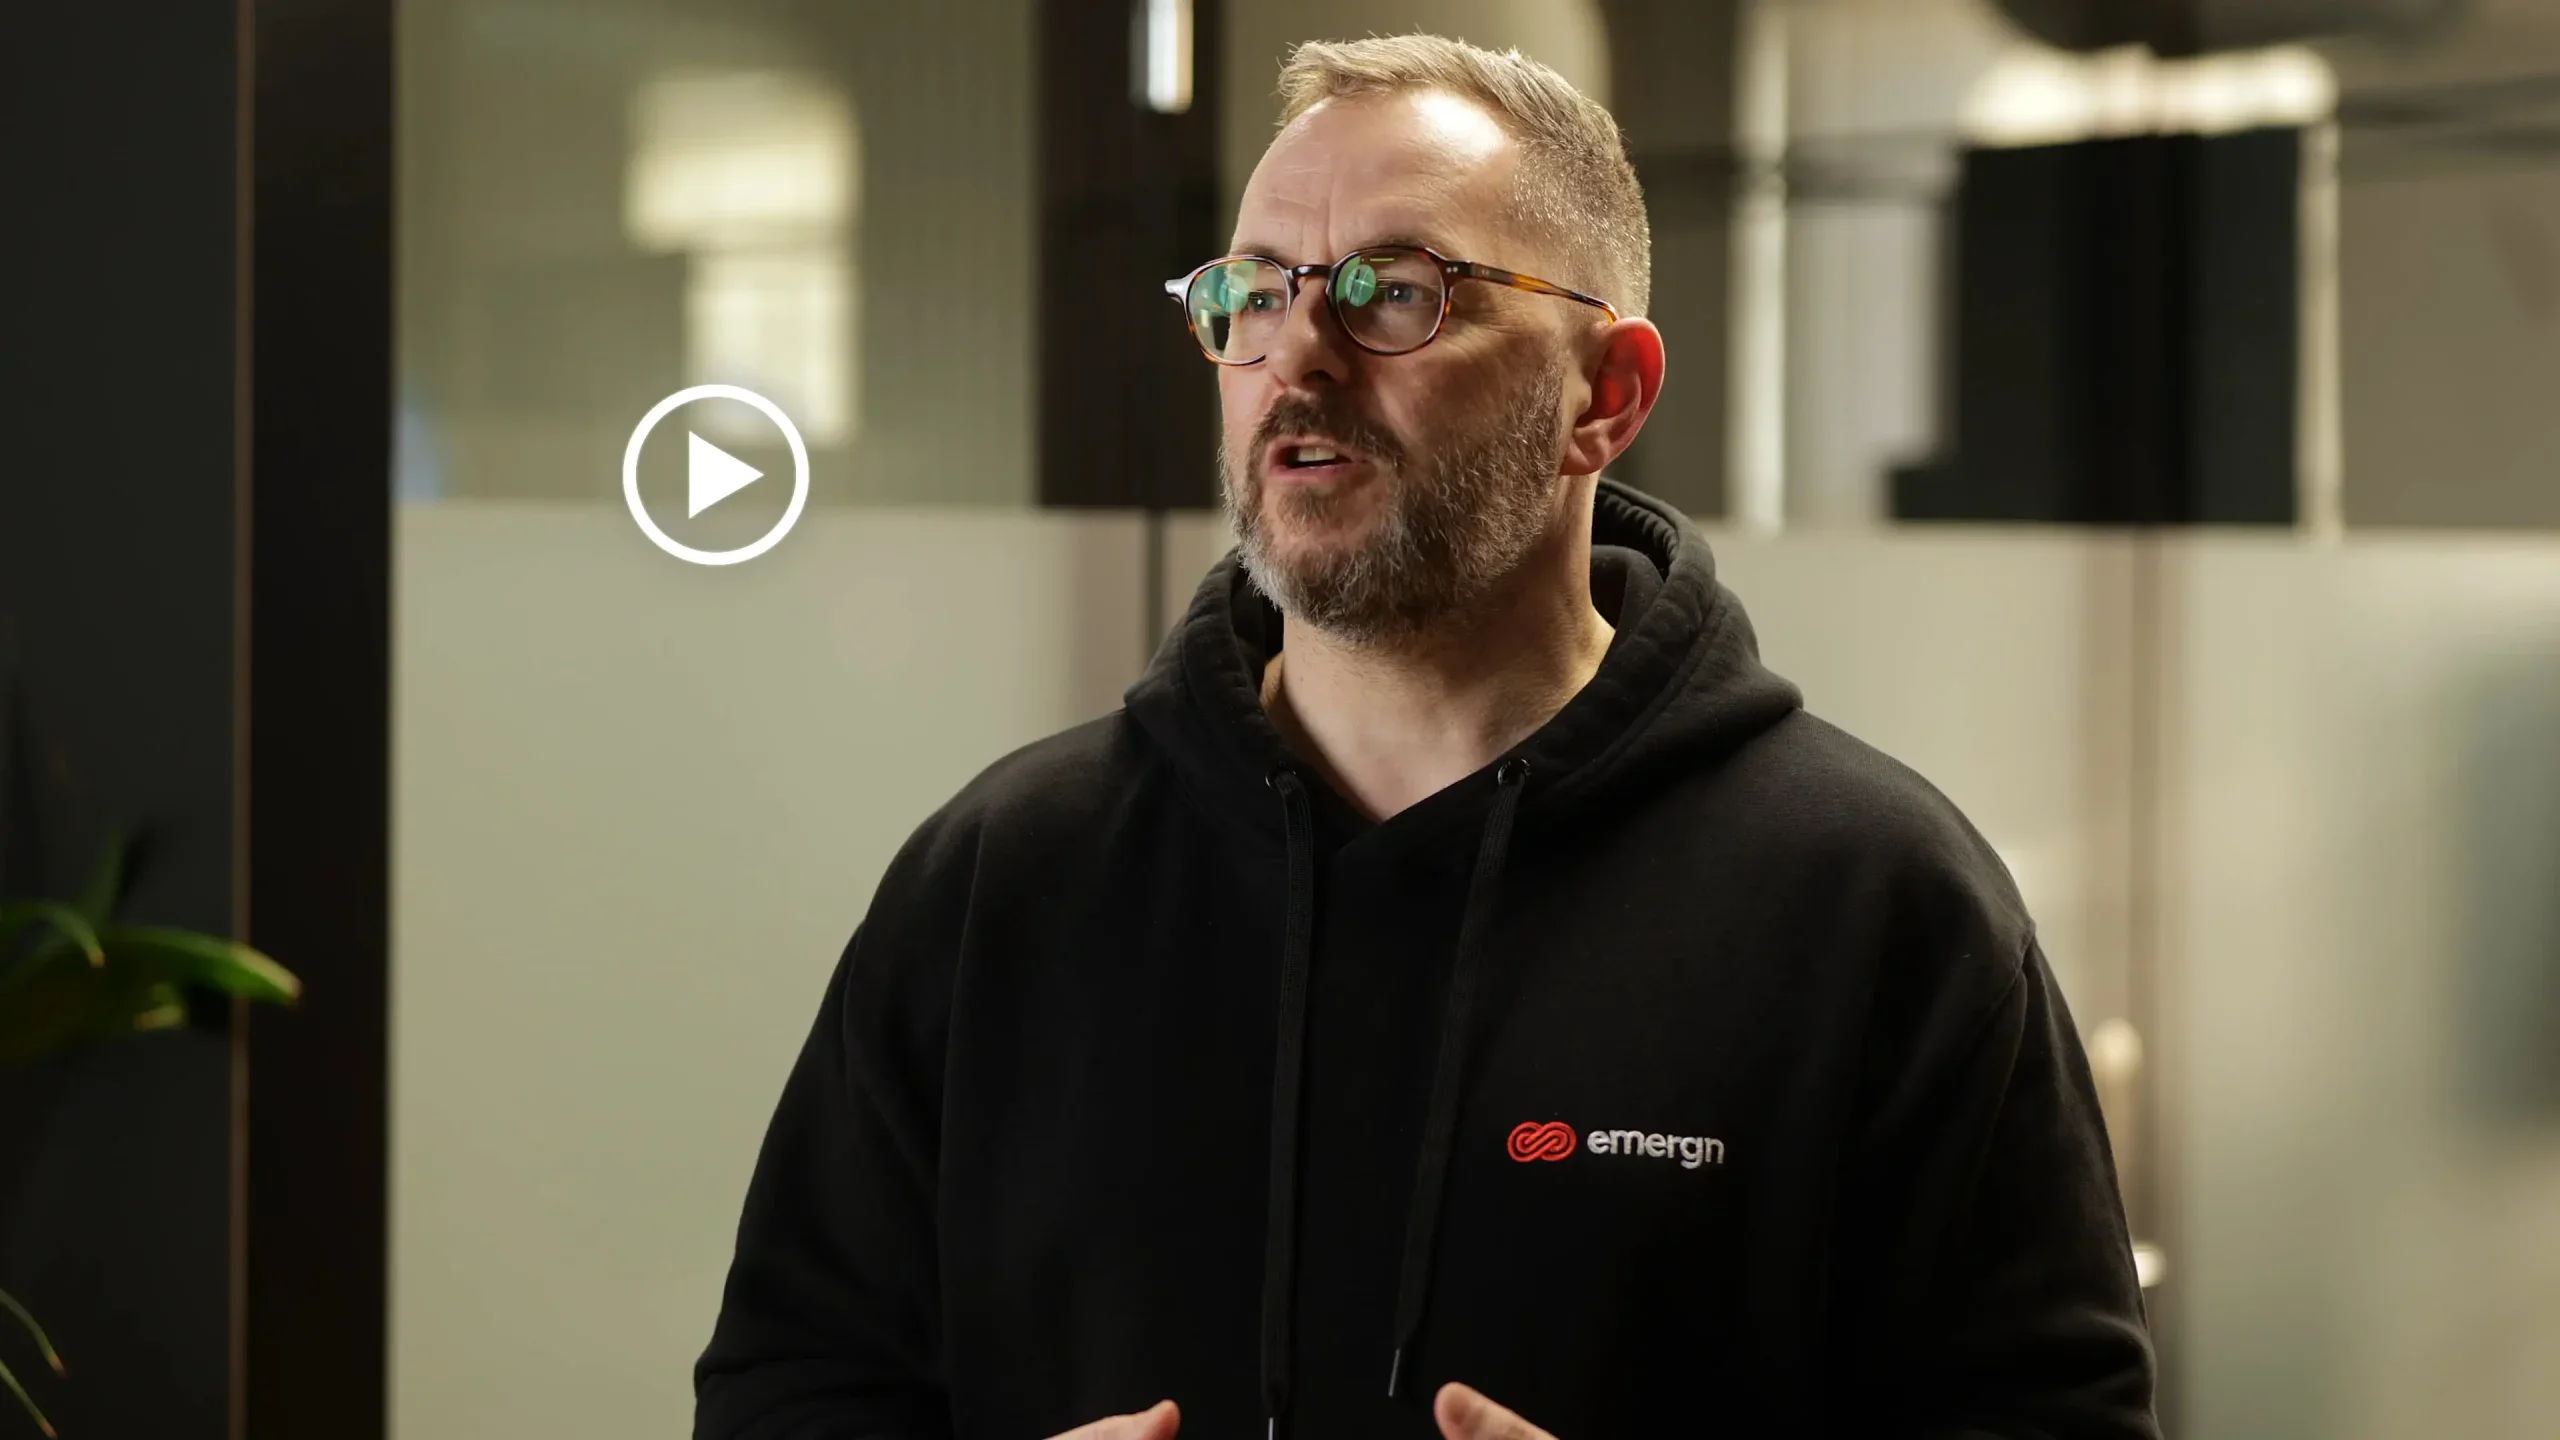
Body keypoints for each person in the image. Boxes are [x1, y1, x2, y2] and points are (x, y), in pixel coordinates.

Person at [695, 33, 2157, 1440]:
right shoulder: (1006, 881)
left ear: (1608, 394)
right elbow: (788, 1391)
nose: (1300, 358)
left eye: (1395, 292)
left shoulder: (1872, 901)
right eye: (1254, 294)